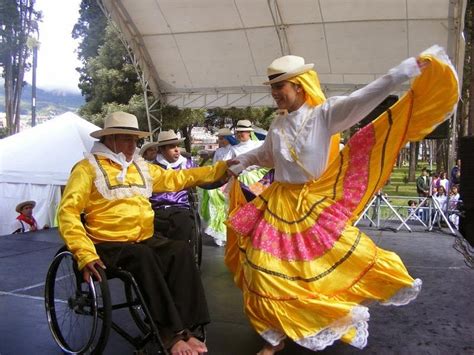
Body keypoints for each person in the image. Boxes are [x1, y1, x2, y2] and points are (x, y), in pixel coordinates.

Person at [225, 47, 458, 354]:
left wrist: (403, 72)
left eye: (279, 86)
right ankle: (274, 336)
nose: (274, 93)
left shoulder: (324, 114)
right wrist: (243, 162)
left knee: (321, 268)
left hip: (312, 204)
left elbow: (364, 97)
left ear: (298, 85)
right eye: (272, 87)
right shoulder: (278, 124)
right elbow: (267, 154)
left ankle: (318, 317)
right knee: (259, 268)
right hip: (278, 203)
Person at [58, 112, 235, 355]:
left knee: (180, 250)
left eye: (135, 140)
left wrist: (220, 169)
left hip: (143, 238)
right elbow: (68, 211)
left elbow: (177, 177)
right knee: (143, 257)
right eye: (127, 140)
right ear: (110, 139)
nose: (133, 146)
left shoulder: (139, 167)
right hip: (106, 242)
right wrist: (84, 253)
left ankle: (189, 328)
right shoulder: (87, 168)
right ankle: (168, 334)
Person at [149, 130, 199, 249]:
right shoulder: (151, 167)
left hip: (180, 208)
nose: (177, 150)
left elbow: (202, 179)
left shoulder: (187, 164)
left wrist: (221, 178)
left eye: (177, 146)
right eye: (172, 147)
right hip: (156, 210)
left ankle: (179, 253)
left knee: (182, 222)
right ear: (161, 150)